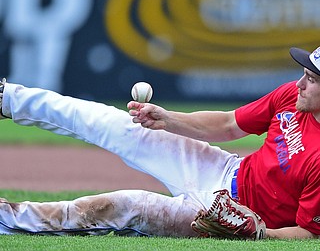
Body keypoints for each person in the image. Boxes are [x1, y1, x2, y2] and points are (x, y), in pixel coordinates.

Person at [0, 46, 319, 239]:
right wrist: (167, 119)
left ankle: (7, 219)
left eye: (312, 79)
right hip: (223, 169)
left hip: (226, 216)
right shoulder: (292, 96)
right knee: (116, 125)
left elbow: (308, 234)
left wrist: (259, 234)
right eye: (303, 73)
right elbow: (227, 124)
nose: (301, 83)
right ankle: (9, 99)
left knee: (126, 206)